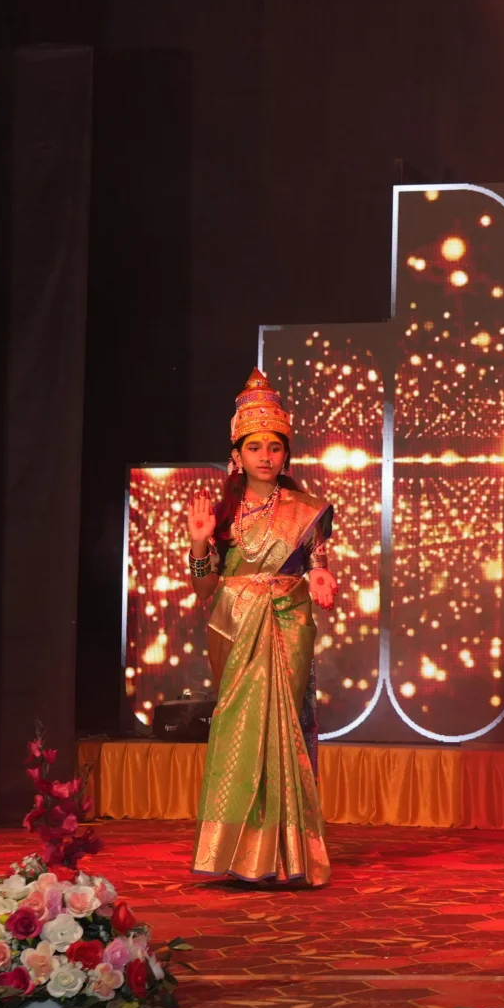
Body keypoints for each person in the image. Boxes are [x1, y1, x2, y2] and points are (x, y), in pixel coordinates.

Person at [184, 369, 338, 885]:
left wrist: (320, 577)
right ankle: (235, 852)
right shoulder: (221, 515)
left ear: (286, 454)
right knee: (238, 730)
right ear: (237, 455)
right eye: (255, 447)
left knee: (283, 729)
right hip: (234, 627)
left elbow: (318, 564)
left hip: (287, 624)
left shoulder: (306, 511)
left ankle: (285, 853)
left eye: (275, 447)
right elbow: (205, 589)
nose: (266, 456)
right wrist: (200, 543)